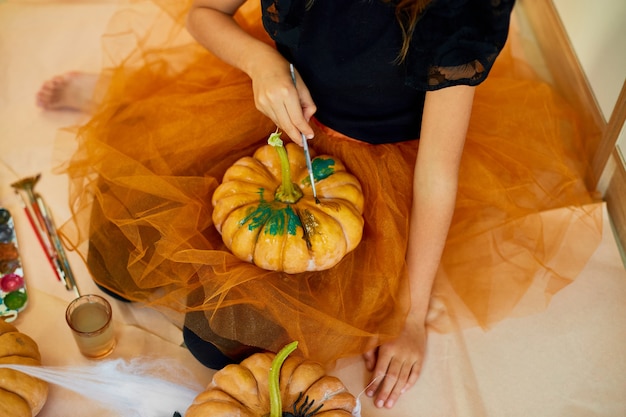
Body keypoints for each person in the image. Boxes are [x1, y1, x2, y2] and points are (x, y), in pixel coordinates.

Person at [45, 0, 601, 410]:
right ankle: (120, 91)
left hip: (373, 160)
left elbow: (436, 176)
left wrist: (409, 318)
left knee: (216, 349)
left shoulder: (457, 10)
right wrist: (262, 64)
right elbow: (203, 15)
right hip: (268, 114)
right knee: (118, 259)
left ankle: (124, 95)